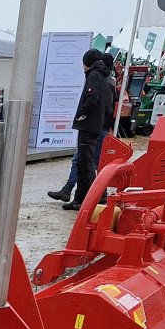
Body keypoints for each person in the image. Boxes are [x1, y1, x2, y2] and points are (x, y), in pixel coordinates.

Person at [65, 49, 115, 211]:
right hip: (96, 125)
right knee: (83, 163)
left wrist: (81, 114)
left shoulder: (94, 75)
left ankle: (94, 198)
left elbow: (92, 98)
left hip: (89, 125)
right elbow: (107, 104)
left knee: (85, 164)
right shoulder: (104, 77)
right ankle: (80, 198)